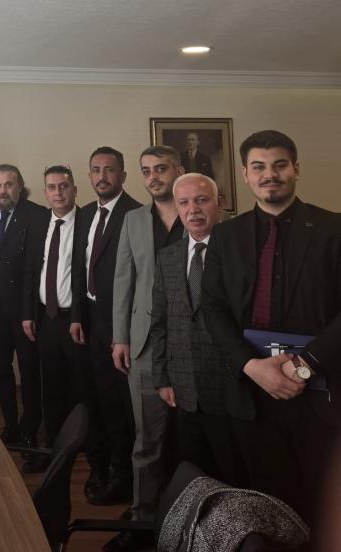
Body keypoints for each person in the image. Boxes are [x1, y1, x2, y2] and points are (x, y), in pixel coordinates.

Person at [202, 129, 341, 527]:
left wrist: (304, 366)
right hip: (250, 394)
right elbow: (212, 308)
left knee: (323, 507)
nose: (270, 175)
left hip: (321, 396)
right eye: (259, 167)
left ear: (296, 168)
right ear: (245, 174)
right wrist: (250, 366)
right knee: (264, 503)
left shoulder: (334, 229)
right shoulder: (225, 236)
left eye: (280, 165)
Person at [108, 145, 185, 545]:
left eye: (161, 168)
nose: (153, 176)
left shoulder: (200, 213)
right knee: (147, 441)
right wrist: (120, 336)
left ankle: (190, 523)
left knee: (191, 439)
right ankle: (142, 521)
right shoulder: (133, 220)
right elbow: (124, 280)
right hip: (143, 345)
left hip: (193, 345)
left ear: (179, 170)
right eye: (146, 171)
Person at [151, 173, 243, 486]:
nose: (193, 210)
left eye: (202, 200)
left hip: (230, 388)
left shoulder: (238, 253)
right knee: (194, 477)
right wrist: (162, 377)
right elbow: (160, 322)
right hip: (184, 388)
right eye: (184, 203)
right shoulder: (167, 257)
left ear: (219, 203)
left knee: (233, 476)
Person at [69, 147, 141, 519]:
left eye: (109, 170)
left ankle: (124, 477)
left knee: (121, 407)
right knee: (98, 399)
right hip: (91, 319)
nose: (102, 177)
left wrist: (122, 331)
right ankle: (104, 468)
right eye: (96, 170)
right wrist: (77, 316)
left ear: (123, 175)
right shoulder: (84, 214)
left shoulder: (136, 214)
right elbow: (79, 268)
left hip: (120, 324)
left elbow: (139, 278)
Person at [21, 165, 82, 473]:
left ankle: (85, 448)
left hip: (77, 320)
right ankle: (53, 446)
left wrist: (80, 317)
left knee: (81, 387)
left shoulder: (87, 222)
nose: (58, 192)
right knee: (51, 387)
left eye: (63, 186)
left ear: (74, 190)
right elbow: (31, 271)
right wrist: (28, 314)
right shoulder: (39, 223)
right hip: (46, 318)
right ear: (45, 192)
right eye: (52, 187)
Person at [0, 164, 46, 450]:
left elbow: (36, 268)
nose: (3, 191)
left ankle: (30, 426)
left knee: (29, 371)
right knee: (0, 369)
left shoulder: (37, 215)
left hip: (25, 311)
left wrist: (29, 313)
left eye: (9, 184)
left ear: (20, 186)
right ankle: (11, 425)